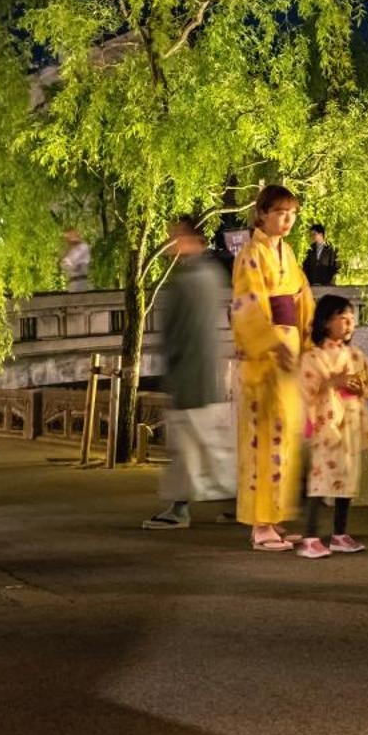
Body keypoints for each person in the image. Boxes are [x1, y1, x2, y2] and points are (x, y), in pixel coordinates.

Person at [230, 184, 315, 552]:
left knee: (287, 435)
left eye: (292, 213)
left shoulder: (289, 252)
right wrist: (269, 343)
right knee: (263, 438)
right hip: (265, 357)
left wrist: (306, 343)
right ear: (262, 213)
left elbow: (302, 298)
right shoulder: (250, 253)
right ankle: (259, 524)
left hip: (290, 348)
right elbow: (246, 305)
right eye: (280, 212)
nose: (287, 219)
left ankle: (275, 517)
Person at [144, 217, 236, 530]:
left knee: (190, 445)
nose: (172, 242)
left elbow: (177, 334)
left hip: (189, 375)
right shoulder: (212, 276)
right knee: (210, 445)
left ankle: (180, 508)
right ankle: (235, 501)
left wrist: (172, 372)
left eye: (177, 235)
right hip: (206, 374)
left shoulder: (187, 280)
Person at [293, 294, 368, 558]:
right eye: (342, 318)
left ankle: (339, 533)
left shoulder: (355, 355)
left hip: (350, 422)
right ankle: (310, 536)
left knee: (347, 478)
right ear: (326, 322)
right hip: (327, 425)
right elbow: (306, 390)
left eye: (352, 319)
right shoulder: (313, 357)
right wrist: (333, 383)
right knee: (321, 481)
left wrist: (362, 387)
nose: (349, 324)